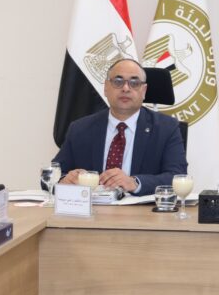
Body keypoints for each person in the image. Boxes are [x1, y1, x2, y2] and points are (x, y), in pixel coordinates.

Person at [54, 58, 187, 196]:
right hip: (93, 207)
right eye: (118, 82)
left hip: (141, 209)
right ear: (106, 87)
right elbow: (53, 174)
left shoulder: (166, 128)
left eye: (134, 83)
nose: (126, 88)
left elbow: (177, 177)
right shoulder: (80, 129)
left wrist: (135, 183)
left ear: (144, 90)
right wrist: (64, 179)